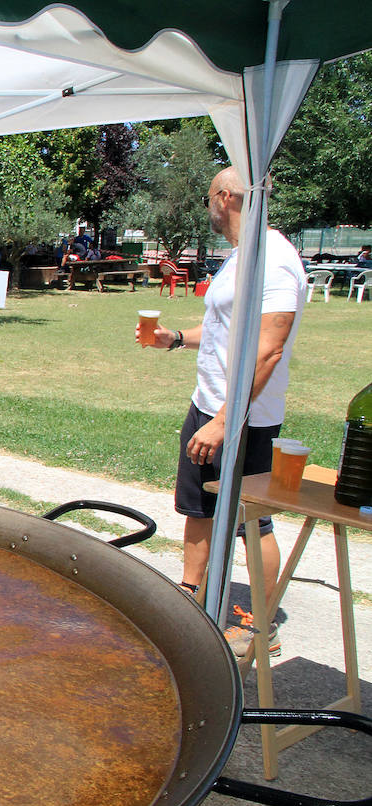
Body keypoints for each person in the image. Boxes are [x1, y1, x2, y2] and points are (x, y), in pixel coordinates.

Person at [138, 166, 306, 657]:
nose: (207, 206)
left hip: (244, 417)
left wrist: (227, 419)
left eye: (209, 196)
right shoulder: (242, 257)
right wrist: (175, 339)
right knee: (199, 505)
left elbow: (269, 349)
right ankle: (191, 596)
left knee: (250, 520)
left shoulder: (274, 260)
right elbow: (220, 327)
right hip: (209, 404)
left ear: (226, 197)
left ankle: (260, 625)